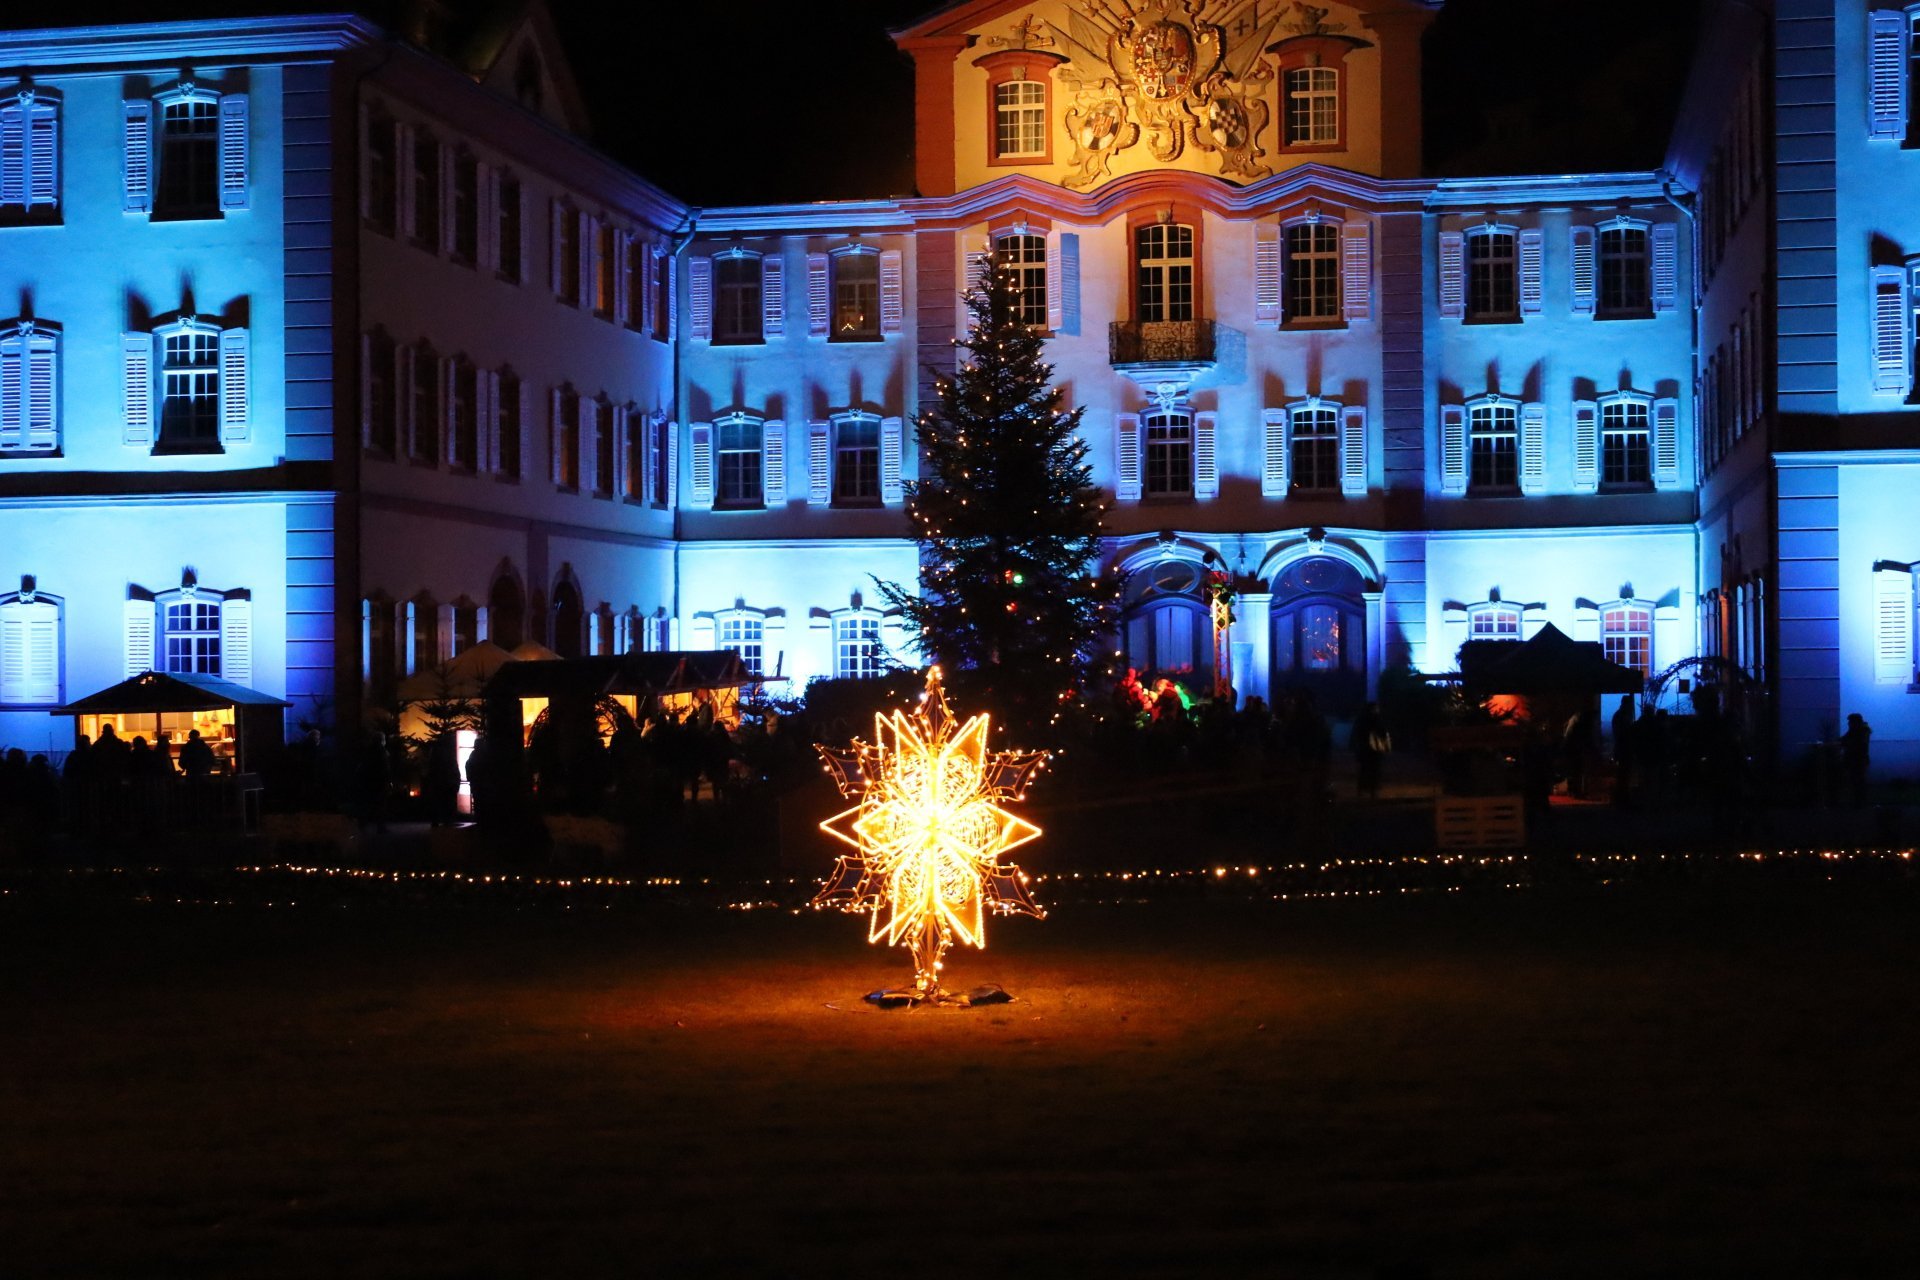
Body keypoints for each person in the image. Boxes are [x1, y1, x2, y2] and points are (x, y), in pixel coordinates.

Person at [1349, 701, 1390, 799]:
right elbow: (1382, 732)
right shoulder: (1375, 720)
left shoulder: (1361, 720)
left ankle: (1362, 791)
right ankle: (1372, 791)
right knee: (1373, 770)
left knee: (1364, 770)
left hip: (1365, 749)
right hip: (1373, 749)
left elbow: (1356, 733)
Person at [1841, 712, 1872, 808]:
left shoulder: (1862, 731)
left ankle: (1859, 803)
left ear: (1856, 722)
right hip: (1854, 759)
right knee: (1855, 781)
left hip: (1858, 760)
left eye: (1850, 722)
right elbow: (1844, 739)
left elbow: (1858, 744)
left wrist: (1845, 743)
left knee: (1858, 781)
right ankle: (1857, 802)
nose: (1848, 723)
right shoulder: (1854, 730)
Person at [1610, 696, 1636, 808]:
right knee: (1624, 774)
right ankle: (1622, 798)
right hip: (1624, 749)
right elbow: (1624, 734)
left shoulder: (1619, 715)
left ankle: (1621, 798)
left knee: (1623, 774)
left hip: (1622, 749)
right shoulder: (1622, 716)